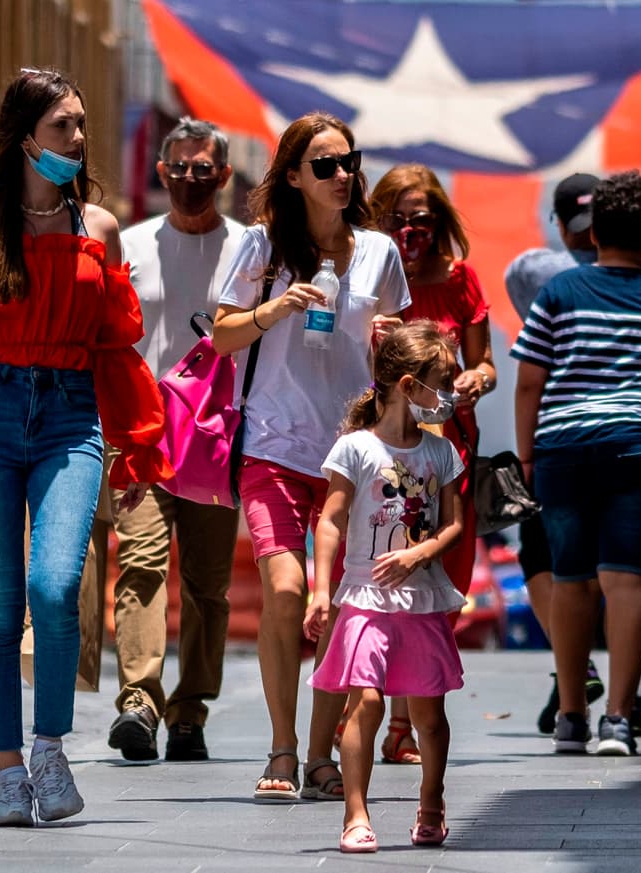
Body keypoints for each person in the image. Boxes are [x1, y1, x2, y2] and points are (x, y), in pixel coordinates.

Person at [0, 68, 170, 825]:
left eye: (81, 125)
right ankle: (9, 772)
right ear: (25, 138)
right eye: (63, 127)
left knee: (55, 589)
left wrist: (137, 448)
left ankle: (50, 747)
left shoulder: (99, 229)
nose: (78, 140)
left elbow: (117, 350)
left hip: (70, 419)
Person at [212, 112, 409, 802]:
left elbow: (398, 352)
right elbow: (225, 336)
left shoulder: (380, 253)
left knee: (339, 607)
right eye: (323, 164)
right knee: (289, 593)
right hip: (271, 444)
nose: (341, 175)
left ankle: (323, 751)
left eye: (348, 162)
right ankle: (283, 746)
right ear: (292, 175)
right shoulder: (262, 247)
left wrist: (395, 342)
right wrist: (275, 308)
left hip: (351, 457)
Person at [504, 172, 641, 738]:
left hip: (564, 449)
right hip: (638, 444)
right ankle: (620, 716)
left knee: (571, 578)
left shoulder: (557, 292)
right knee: (629, 580)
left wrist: (528, 459)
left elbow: (530, 380)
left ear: (593, 231)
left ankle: (572, 714)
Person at [104, 118, 246, 762]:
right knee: (140, 562)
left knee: (209, 584)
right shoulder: (128, 246)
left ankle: (191, 708)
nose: (192, 179)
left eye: (204, 168)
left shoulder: (250, 251)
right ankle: (140, 697)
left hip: (216, 442)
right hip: (143, 436)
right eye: (180, 168)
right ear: (161, 173)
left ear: (224, 175)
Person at [303, 320, 466, 853]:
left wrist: (421, 552)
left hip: (421, 599)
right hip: (363, 597)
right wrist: (320, 589)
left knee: (428, 711)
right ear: (406, 386)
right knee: (365, 702)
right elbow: (331, 518)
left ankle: (432, 802)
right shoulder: (354, 448)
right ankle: (356, 814)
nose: (445, 396)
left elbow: (456, 523)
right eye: (439, 383)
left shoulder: (440, 453)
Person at [366, 163, 496, 765]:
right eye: (398, 218)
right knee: (392, 583)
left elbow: (485, 363)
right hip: (386, 459)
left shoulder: (461, 279)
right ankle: (395, 726)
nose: (411, 230)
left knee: (440, 587)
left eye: (423, 219)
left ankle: (405, 721)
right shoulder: (369, 273)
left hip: (449, 459)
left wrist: (475, 377)